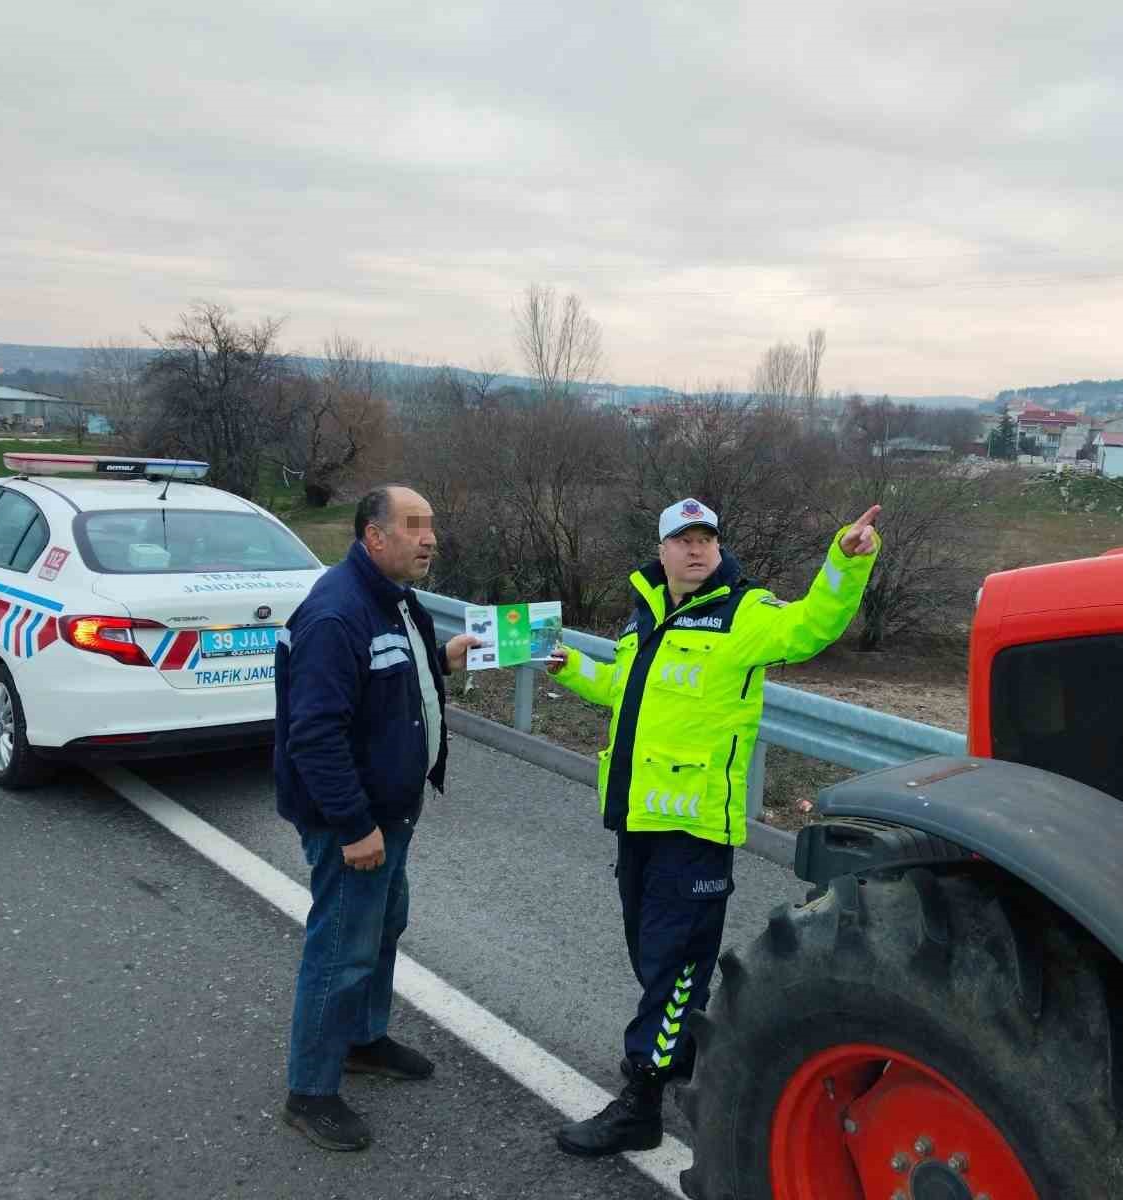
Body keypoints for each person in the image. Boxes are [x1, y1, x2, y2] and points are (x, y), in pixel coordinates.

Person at [546, 496, 882, 1156]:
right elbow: (625, 688)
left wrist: (844, 561)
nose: (698, 549)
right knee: (653, 958)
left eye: (708, 539)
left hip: (695, 829)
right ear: (662, 548)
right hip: (638, 817)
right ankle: (695, 1057)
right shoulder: (647, 611)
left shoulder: (744, 613)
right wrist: (575, 670)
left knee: (674, 967)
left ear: (718, 548)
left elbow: (813, 625)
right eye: (684, 539)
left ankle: (642, 1097)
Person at [274, 485, 479, 1151]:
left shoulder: (394, 600)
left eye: (432, 526)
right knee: (341, 945)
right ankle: (310, 1090)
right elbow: (314, 733)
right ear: (373, 536)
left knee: (384, 925)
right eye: (414, 527)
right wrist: (355, 826)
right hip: (354, 821)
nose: (430, 539)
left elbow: (395, 679)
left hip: (392, 812)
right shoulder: (337, 614)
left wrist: (446, 658)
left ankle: (363, 1041)